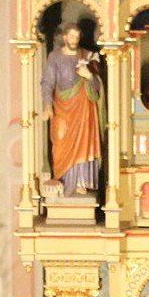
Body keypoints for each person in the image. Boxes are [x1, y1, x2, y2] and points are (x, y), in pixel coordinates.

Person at [42, 20, 104, 197]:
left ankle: (80, 182)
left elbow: (99, 87)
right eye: (71, 37)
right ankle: (62, 179)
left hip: (83, 108)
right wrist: (47, 104)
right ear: (64, 37)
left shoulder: (87, 56)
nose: (74, 40)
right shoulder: (55, 57)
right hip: (61, 106)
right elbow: (47, 82)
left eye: (77, 37)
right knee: (60, 140)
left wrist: (89, 75)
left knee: (83, 141)